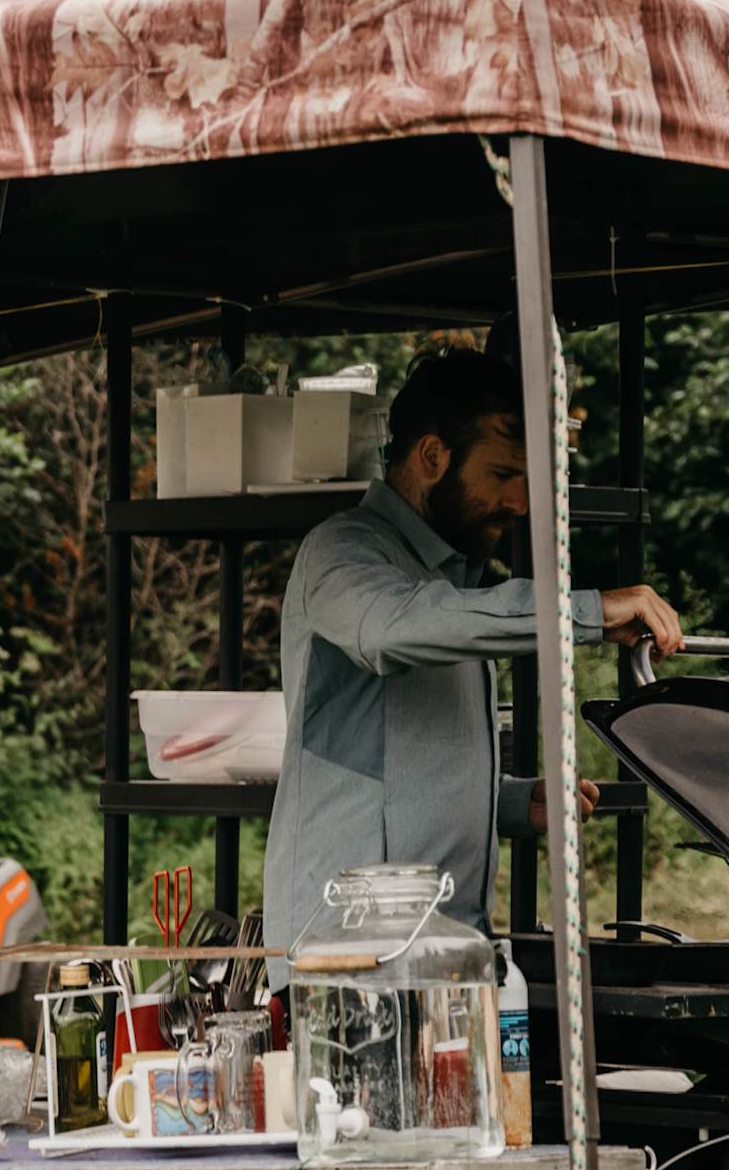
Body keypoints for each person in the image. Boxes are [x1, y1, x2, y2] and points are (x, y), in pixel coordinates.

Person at [261, 343, 682, 951]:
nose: (521, 503)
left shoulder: (456, 586)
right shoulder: (342, 550)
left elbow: (398, 767)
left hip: (436, 952)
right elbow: (389, 629)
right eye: (504, 476)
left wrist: (509, 802)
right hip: (344, 960)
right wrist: (583, 609)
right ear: (432, 456)